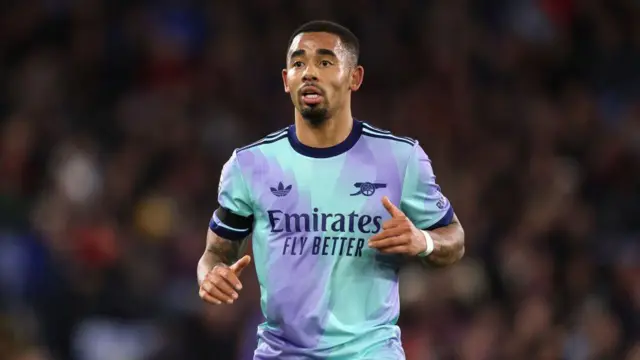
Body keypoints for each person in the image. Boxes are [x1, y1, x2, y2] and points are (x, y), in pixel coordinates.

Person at [197, 20, 465, 359]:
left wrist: (423, 241)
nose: (309, 72)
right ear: (286, 80)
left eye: (325, 62)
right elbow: (215, 253)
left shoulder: (401, 159)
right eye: (298, 63)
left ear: (355, 77)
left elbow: (453, 238)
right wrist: (211, 275)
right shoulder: (250, 165)